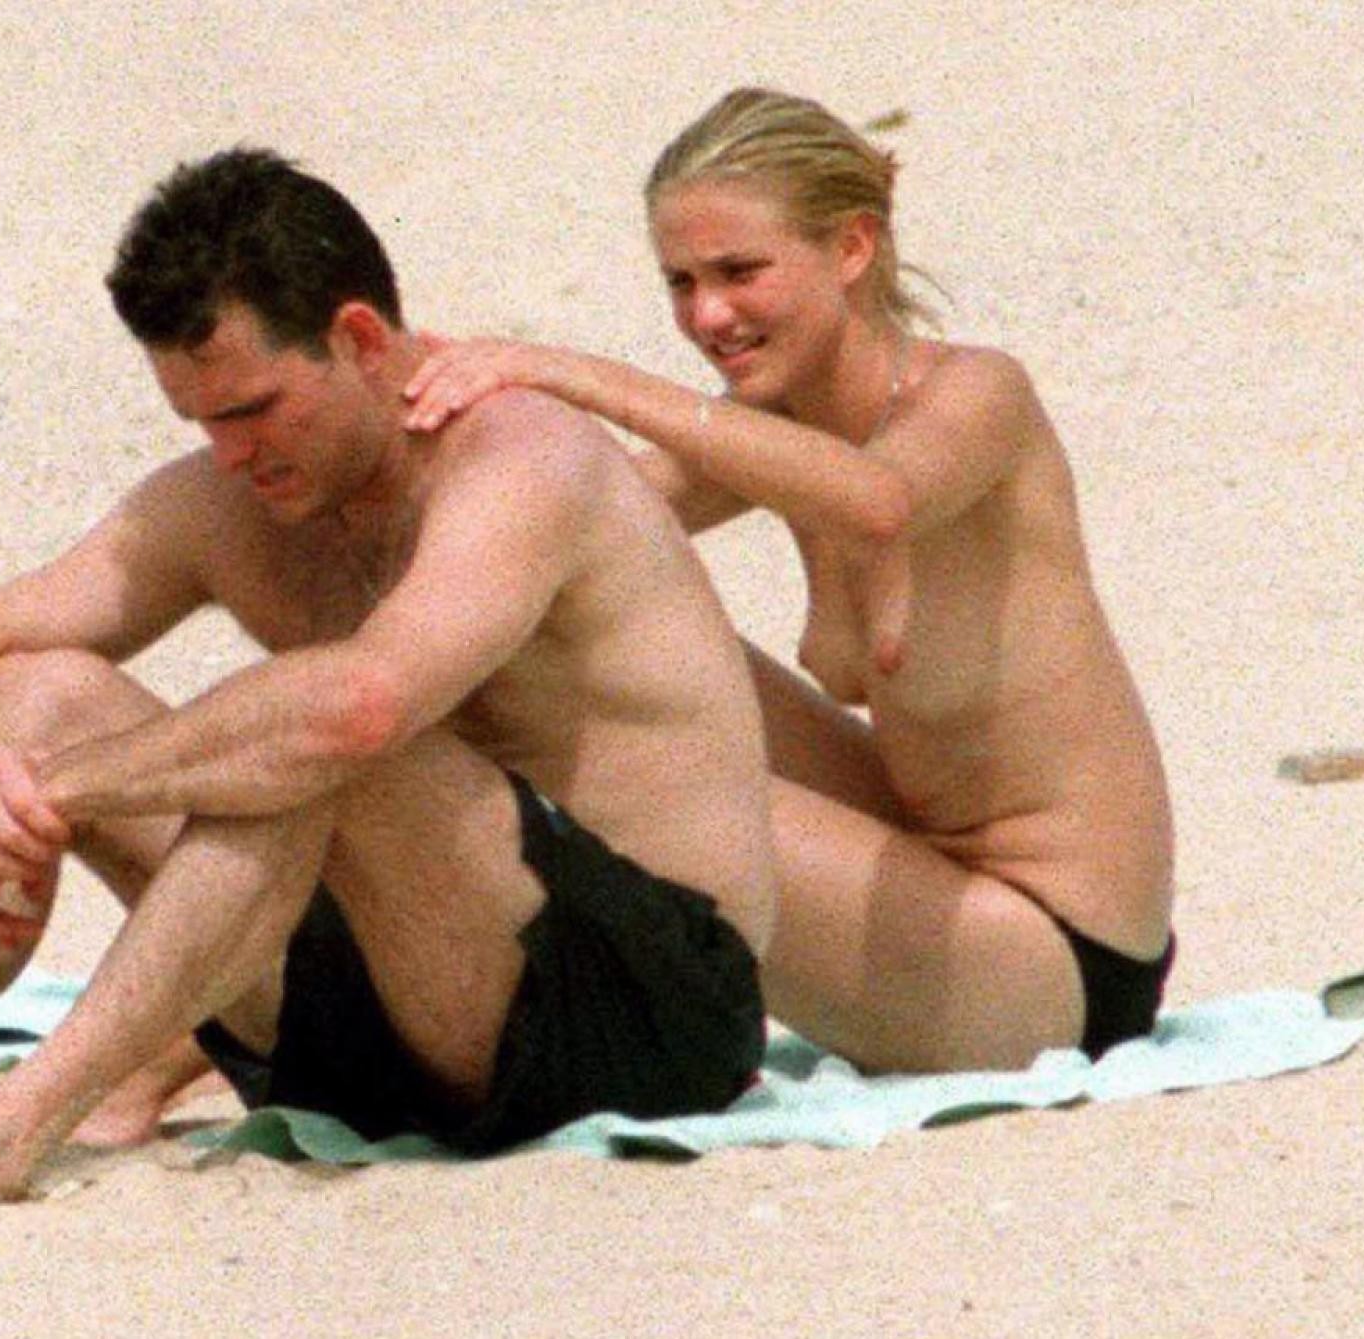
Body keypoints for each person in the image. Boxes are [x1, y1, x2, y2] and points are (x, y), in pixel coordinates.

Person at [0, 147, 776, 1233]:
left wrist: (55, 792)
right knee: (37, 688)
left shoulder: (521, 457)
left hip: (641, 1016)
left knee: (312, 732)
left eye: (253, 408)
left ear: (361, 340)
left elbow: (360, 707)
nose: (233, 453)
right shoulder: (234, 500)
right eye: (201, 421)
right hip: (380, 1022)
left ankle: (6, 1132)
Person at [403, 87, 1175, 1072]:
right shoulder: (771, 432)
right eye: (680, 282)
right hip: (925, 861)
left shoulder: (980, 397)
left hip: (1056, 952)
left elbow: (878, 501)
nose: (706, 315)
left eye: (738, 272)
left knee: (636, 767)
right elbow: (557, 530)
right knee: (558, 637)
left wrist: (575, 375)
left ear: (851, 247)